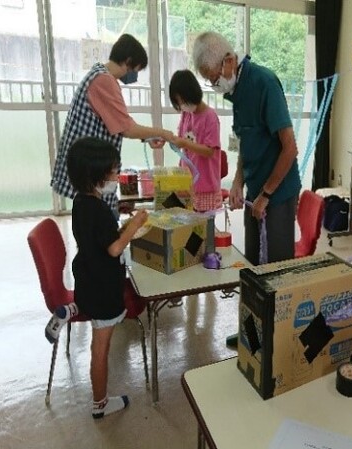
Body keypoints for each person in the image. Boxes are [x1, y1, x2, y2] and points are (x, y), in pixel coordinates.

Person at [45, 137, 149, 419]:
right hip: (103, 288)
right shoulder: (100, 210)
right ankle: (100, 404)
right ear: (97, 175)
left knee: (93, 321)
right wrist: (136, 224)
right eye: (114, 171)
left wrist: (123, 224)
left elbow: (101, 238)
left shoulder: (81, 202)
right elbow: (115, 248)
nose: (117, 176)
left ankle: (76, 307)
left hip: (87, 280)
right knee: (99, 348)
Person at [192, 31, 301, 265]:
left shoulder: (265, 83)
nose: (215, 85)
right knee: (253, 259)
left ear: (229, 61)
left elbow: (290, 148)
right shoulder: (237, 92)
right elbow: (246, 143)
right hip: (255, 188)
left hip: (278, 192)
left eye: (214, 79)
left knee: (275, 267)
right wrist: (238, 183)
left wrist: (267, 194)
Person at [50, 33, 174, 217]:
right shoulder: (104, 81)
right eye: (136, 69)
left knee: (94, 217)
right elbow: (126, 127)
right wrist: (163, 133)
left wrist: (148, 137)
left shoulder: (97, 73)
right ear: (129, 61)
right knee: (101, 221)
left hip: (85, 166)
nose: (135, 75)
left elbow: (115, 122)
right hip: (91, 168)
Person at [169, 69, 223, 213]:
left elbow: (210, 151)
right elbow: (180, 139)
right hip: (187, 183)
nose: (181, 105)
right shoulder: (187, 114)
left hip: (205, 185)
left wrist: (186, 144)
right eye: (178, 102)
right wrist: (166, 139)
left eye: (182, 100)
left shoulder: (210, 117)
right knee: (189, 231)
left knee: (203, 231)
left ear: (191, 93)